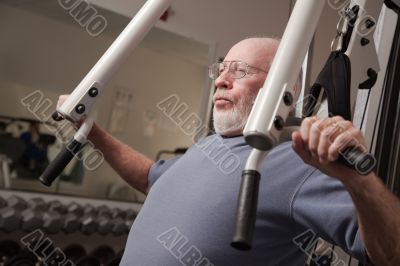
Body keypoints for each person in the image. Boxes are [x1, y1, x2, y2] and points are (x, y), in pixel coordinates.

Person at [58, 38, 400, 265]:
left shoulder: (301, 162)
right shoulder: (208, 147)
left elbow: (391, 254)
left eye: (240, 71)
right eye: (221, 70)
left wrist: (360, 181)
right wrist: (92, 131)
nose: (221, 79)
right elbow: (151, 177)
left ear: (284, 89)